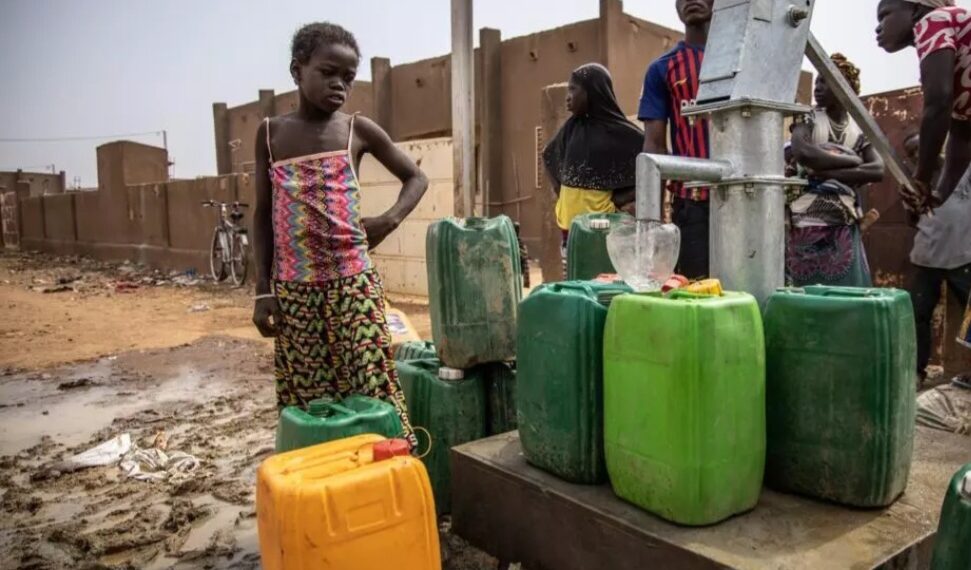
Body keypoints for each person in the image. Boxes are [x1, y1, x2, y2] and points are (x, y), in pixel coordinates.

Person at [252, 22, 427, 447]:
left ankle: (395, 474)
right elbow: (262, 215)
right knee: (315, 402)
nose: (339, 85)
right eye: (328, 72)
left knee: (374, 384)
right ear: (297, 71)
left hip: (354, 285)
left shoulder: (356, 130)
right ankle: (329, 481)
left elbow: (415, 178)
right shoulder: (271, 134)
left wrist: (388, 221)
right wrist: (262, 290)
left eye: (348, 78)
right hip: (294, 291)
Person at [876, 0, 971, 382]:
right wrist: (935, 196)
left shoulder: (932, 21)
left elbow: (937, 105)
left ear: (912, 9)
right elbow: (963, 139)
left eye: (884, 16)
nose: (878, 28)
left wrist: (919, 180)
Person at [787, 53, 885, 287]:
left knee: (846, 291)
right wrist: (852, 160)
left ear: (844, 87)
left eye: (825, 82)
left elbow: (877, 170)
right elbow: (804, 153)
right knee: (805, 290)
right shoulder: (808, 117)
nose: (817, 88)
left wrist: (823, 172)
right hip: (805, 223)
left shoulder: (857, 127)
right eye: (817, 81)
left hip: (844, 224)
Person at [637, 0, 715, 280]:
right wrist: (652, 226)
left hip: (746, 201)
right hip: (692, 207)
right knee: (698, 292)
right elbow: (655, 148)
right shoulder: (663, 69)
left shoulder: (748, 60)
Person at [542, 63, 643, 272]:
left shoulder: (619, 132)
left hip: (603, 228)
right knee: (574, 280)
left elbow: (652, 165)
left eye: (573, 89)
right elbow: (548, 156)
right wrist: (561, 194)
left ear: (594, 92)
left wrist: (619, 200)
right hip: (569, 228)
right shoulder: (571, 128)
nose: (568, 96)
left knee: (602, 282)